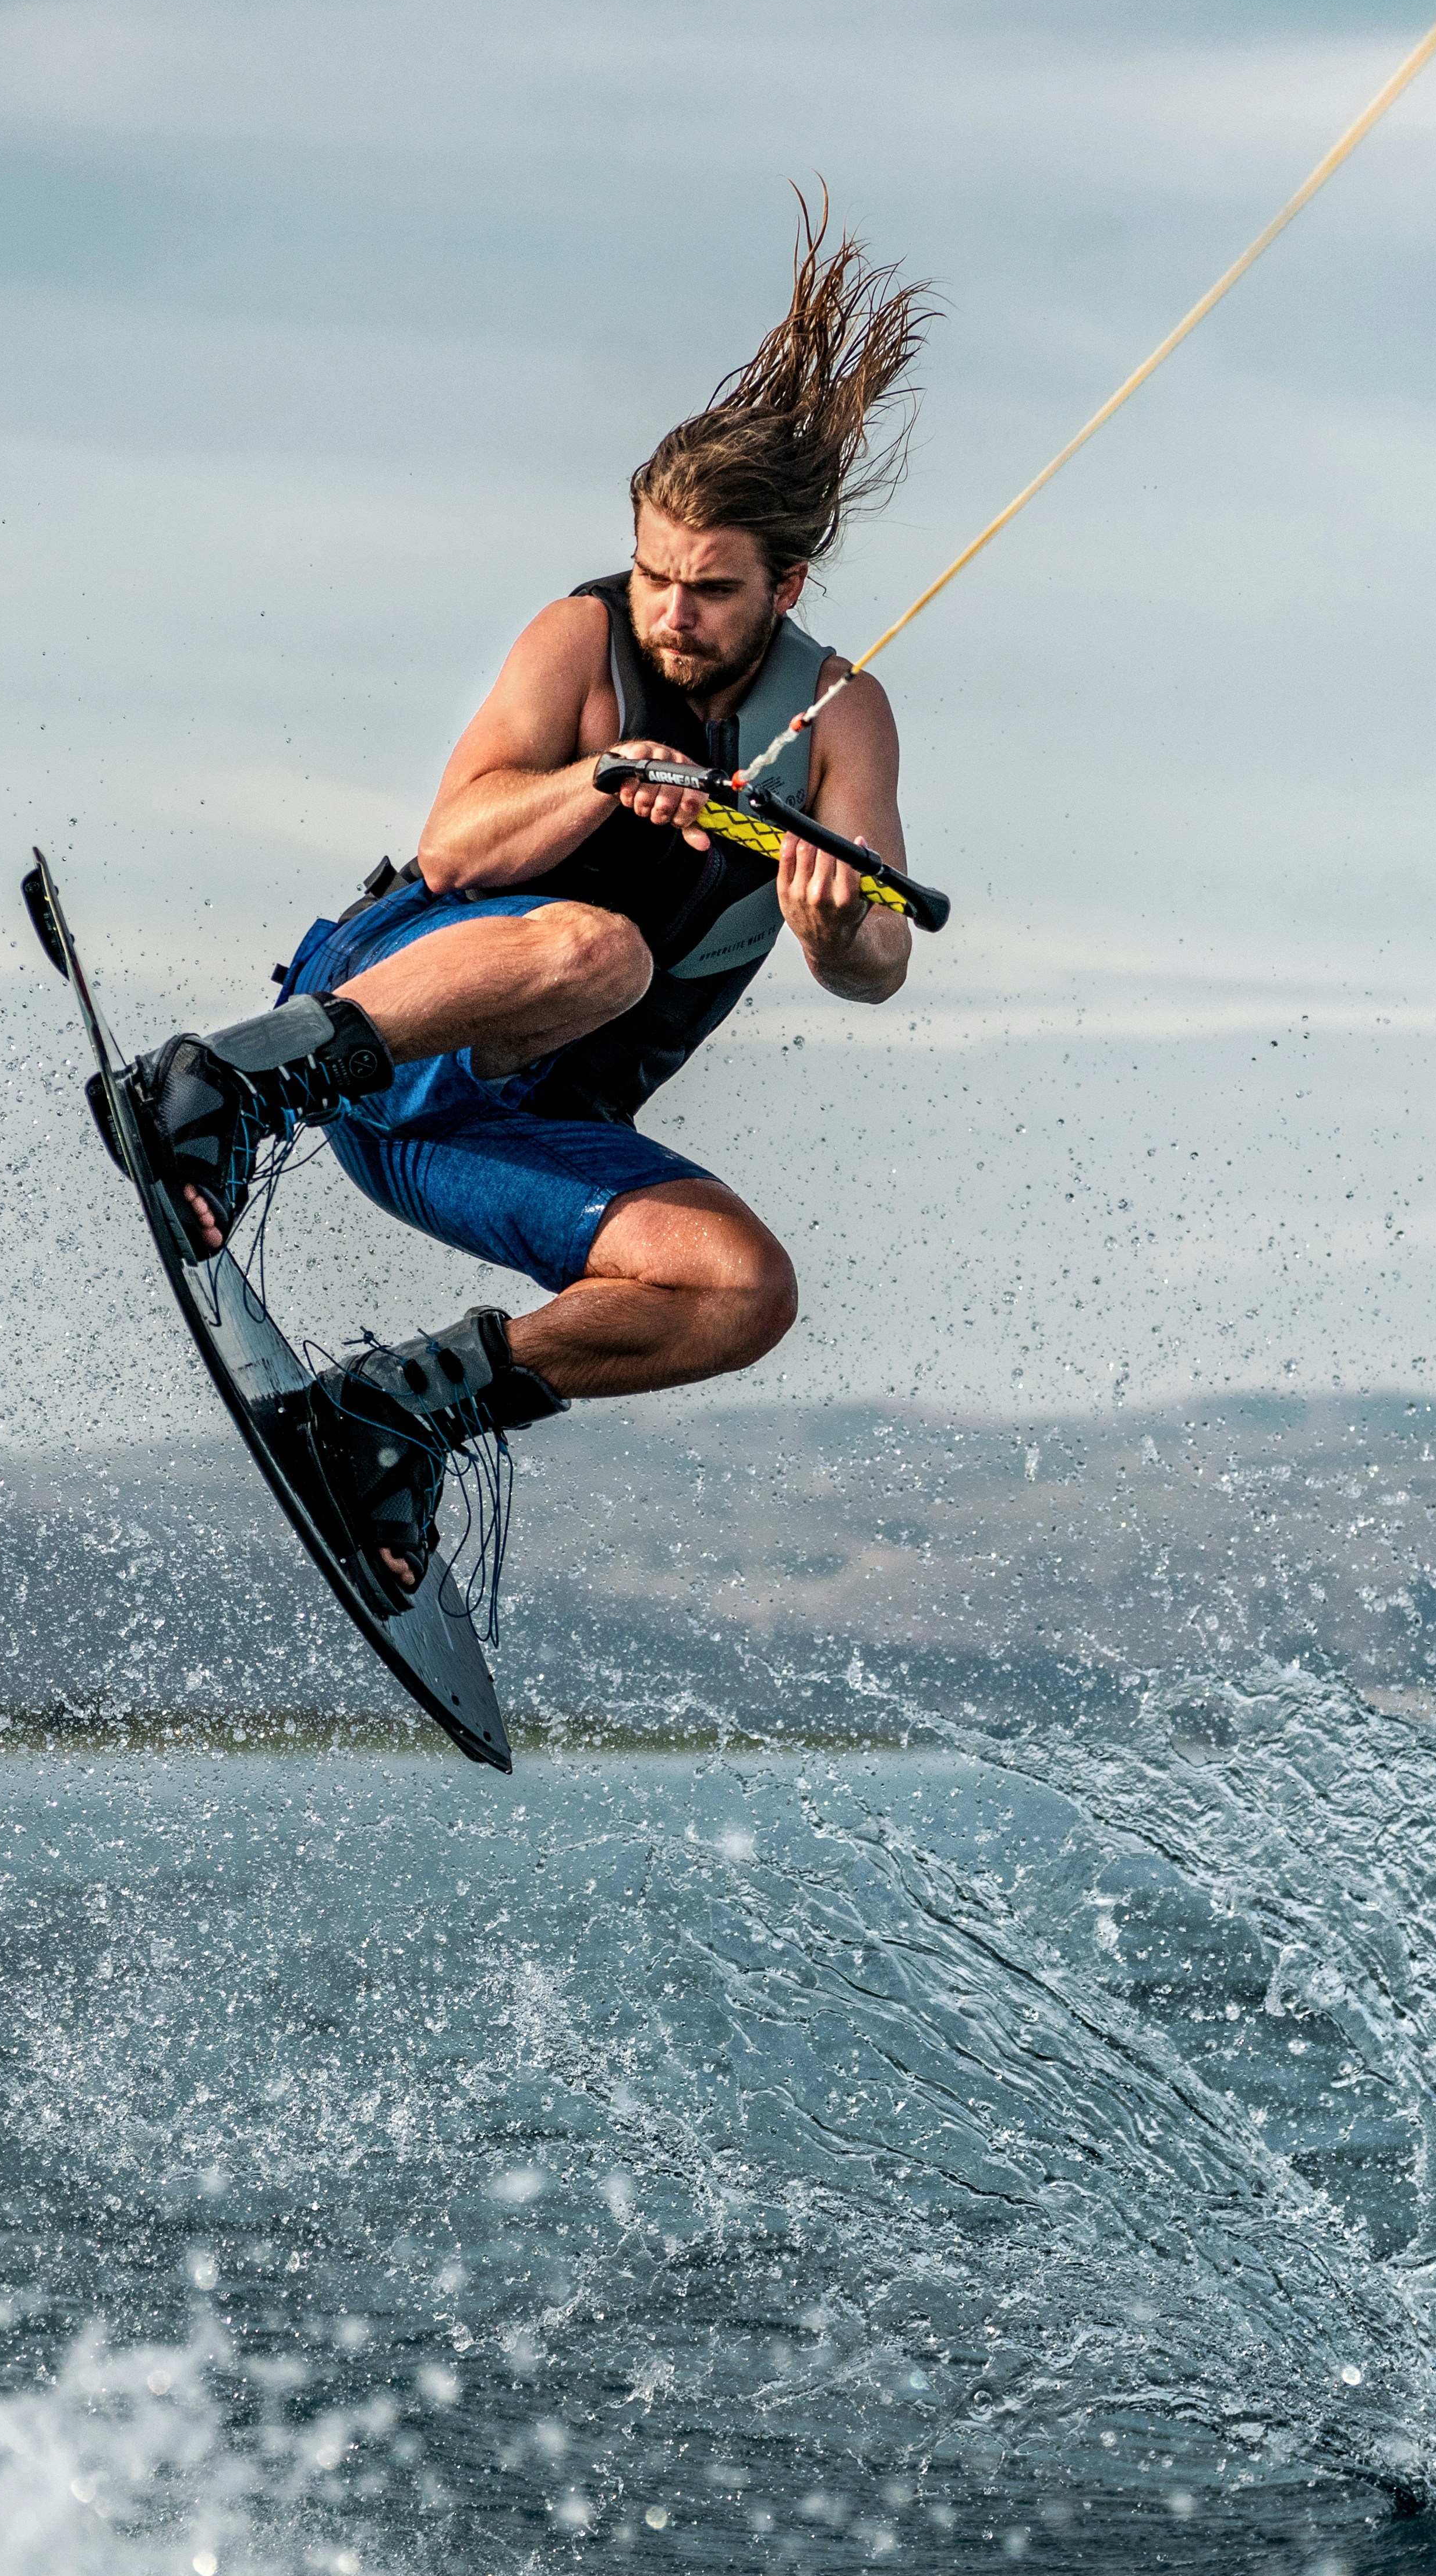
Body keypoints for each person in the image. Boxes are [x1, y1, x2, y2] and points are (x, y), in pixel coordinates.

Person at [116, 211, 936, 1604]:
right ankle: (216, 1088)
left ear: (785, 586)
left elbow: (880, 963)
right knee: (601, 950)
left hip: (495, 1134)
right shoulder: (582, 638)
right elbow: (454, 847)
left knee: (745, 1289)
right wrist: (600, 781)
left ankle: (393, 1413)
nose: (670, 611)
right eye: (655, 574)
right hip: (380, 1035)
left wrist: (832, 928)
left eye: (710, 590)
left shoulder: (842, 715)